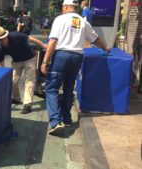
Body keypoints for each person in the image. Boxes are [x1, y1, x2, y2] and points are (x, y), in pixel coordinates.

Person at [41, 0, 109, 135]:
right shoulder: (83, 22)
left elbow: (53, 41)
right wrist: (106, 48)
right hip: (77, 57)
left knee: (51, 88)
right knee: (68, 87)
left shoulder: (60, 19)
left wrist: (44, 61)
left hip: (61, 55)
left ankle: (55, 121)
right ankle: (66, 118)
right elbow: (95, 39)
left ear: (65, 7)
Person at [0, 26, 47, 114]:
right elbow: (1, 65)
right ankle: (16, 98)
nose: (3, 41)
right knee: (13, 81)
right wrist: (2, 77)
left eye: (3, 38)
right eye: (0, 40)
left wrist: (43, 45)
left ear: (7, 36)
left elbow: (31, 39)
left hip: (29, 58)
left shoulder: (16, 36)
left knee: (29, 80)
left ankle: (27, 104)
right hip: (16, 61)